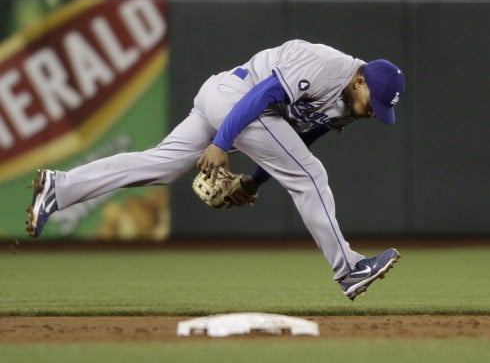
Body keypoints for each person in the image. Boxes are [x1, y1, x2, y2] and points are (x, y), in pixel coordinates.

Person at [26, 39, 404, 300]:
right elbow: (264, 95)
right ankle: (349, 269)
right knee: (313, 177)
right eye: (375, 102)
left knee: (160, 164)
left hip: (228, 100)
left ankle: (59, 189)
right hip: (238, 99)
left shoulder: (349, 103)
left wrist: (254, 181)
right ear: (360, 79)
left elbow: (298, 144)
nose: (374, 112)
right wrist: (222, 143)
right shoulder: (325, 66)